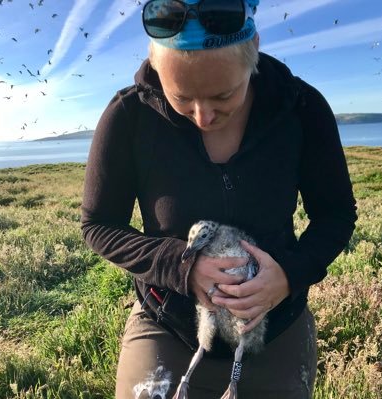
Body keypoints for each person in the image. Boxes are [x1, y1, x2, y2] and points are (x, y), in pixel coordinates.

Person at [81, 0, 357, 398]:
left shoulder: (302, 108)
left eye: (223, 96)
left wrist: (287, 276)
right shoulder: (128, 116)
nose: (202, 116)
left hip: (273, 331)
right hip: (166, 327)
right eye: (181, 98)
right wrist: (182, 268)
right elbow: (98, 225)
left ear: (254, 53)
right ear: (156, 67)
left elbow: (336, 213)